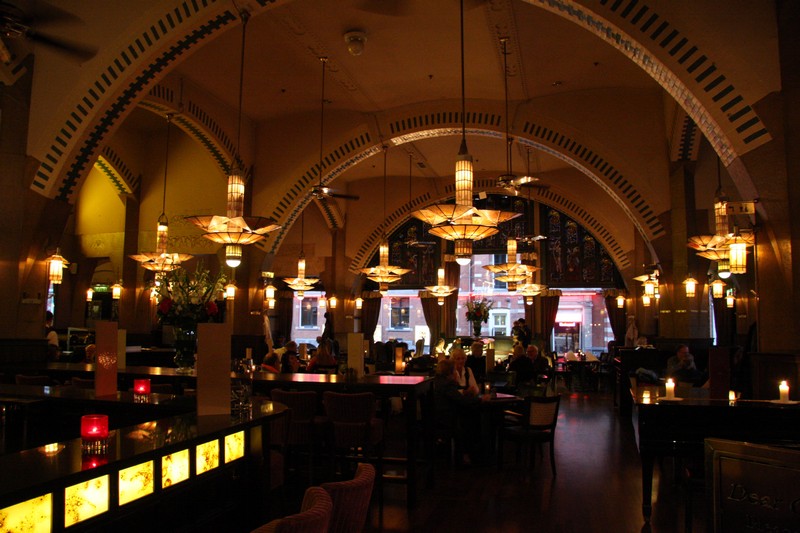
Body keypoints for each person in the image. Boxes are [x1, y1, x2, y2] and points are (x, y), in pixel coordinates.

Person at [434, 357, 487, 465]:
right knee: (470, 422)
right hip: (447, 420)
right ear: (450, 372)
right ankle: (467, 454)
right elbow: (462, 401)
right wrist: (481, 399)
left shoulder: (436, 381)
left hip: (437, 417)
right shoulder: (448, 384)